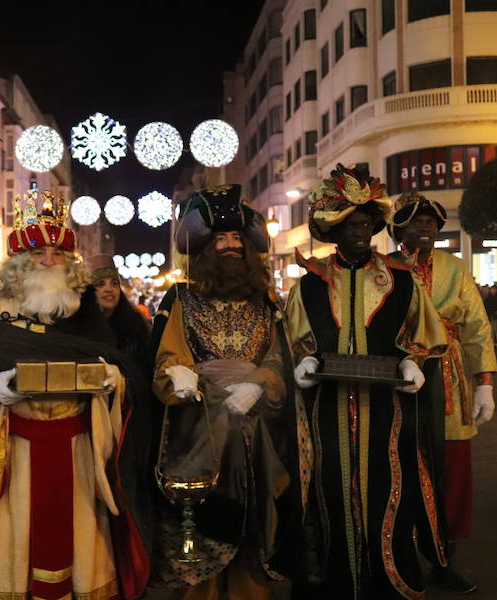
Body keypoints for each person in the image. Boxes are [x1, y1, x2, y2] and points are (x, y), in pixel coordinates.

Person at [0, 190, 152, 600]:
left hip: (79, 453)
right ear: (21, 261)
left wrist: (115, 381)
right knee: (16, 555)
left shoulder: (83, 311)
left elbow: (115, 366)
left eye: (58, 252)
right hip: (12, 452)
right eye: (39, 252)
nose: (50, 261)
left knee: (80, 554)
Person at [285, 165, 449, 599]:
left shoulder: (400, 279)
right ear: (333, 231)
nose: (360, 232)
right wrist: (302, 362)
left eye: (366, 224)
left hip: (388, 412)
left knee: (388, 489)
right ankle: (333, 580)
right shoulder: (310, 286)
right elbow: (295, 341)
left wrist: (414, 361)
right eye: (350, 225)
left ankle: (388, 578)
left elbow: (425, 332)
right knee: (329, 490)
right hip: (327, 411)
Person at [149, 184, 313, 599]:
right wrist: (181, 376)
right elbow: (167, 357)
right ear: (205, 245)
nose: (229, 245)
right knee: (203, 519)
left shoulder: (265, 301)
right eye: (220, 237)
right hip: (201, 429)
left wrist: (259, 384)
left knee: (254, 520)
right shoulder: (181, 299)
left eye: (237, 237)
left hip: (256, 434)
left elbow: (280, 357)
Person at [388, 191, 497, 592]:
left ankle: (444, 558)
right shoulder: (384, 269)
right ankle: (397, 557)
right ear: (398, 228)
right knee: (397, 467)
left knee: (450, 471)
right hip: (396, 377)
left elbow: (477, 327)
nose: (426, 227)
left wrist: (484, 381)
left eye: (432, 221)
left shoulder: (455, 268)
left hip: (448, 377)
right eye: (416, 220)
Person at [88, 253, 151, 376]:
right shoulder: (79, 326)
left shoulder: (136, 326)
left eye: (114, 283)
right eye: (100, 284)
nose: (109, 289)